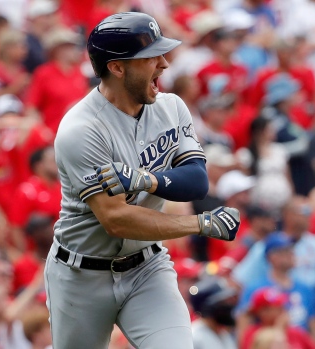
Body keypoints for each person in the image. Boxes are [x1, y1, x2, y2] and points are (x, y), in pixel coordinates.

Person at [46, 13, 241, 349]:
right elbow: (117, 220)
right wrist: (199, 224)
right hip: (81, 276)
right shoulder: (81, 130)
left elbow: (196, 181)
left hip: (147, 269)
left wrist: (144, 179)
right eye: (151, 57)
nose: (164, 64)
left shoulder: (171, 106)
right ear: (118, 68)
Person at [189, 276, 238, 349]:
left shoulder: (223, 333)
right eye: (223, 303)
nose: (228, 305)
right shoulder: (194, 337)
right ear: (209, 308)